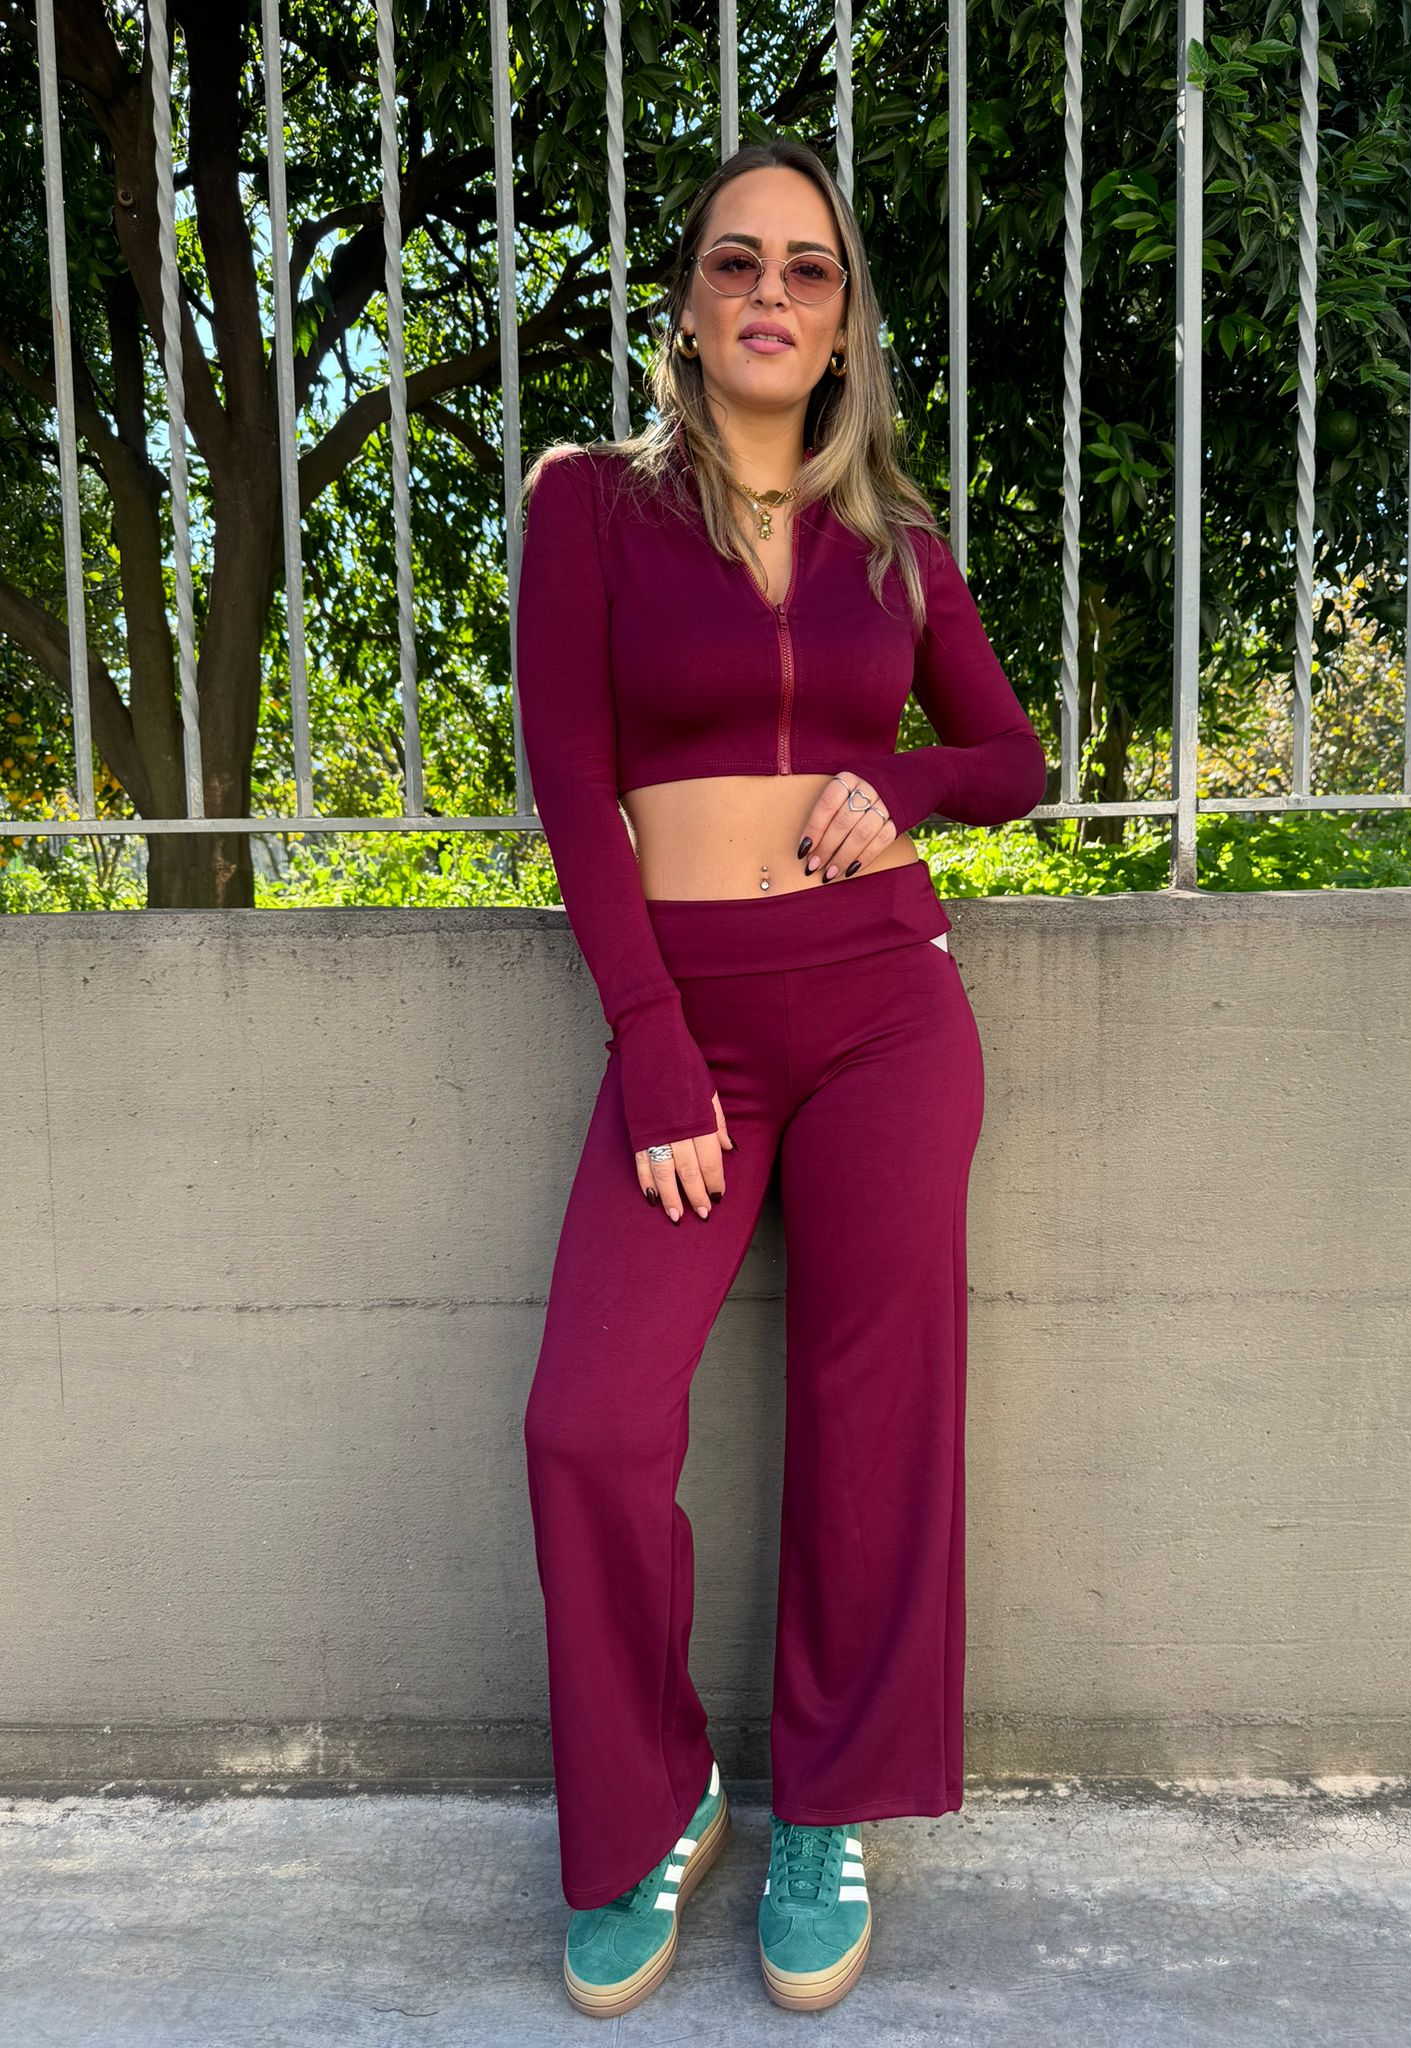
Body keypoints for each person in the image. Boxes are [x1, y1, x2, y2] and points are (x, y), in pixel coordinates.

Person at [516, 135, 1047, 2020]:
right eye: (736, 259)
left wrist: (898, 783)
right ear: (687, 303)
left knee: (875, 1408)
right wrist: (651, 1039)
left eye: (808, 268)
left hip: (885, 1008)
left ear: (842, 325)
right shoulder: (587, 505)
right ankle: (656, 1803)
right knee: (587, 1421)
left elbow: (1012, 763)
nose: (770, 290)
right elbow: (573, 783)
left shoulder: (895, 540)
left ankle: (829, 1805)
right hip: (691, 1018)